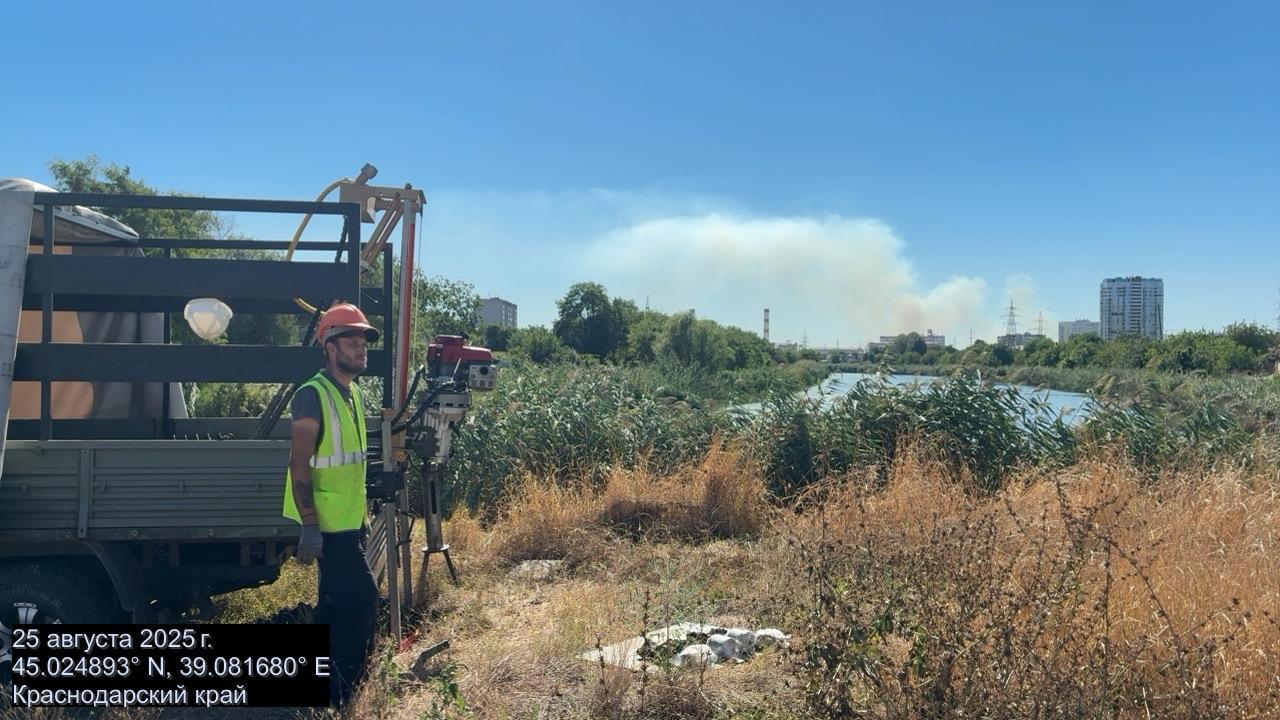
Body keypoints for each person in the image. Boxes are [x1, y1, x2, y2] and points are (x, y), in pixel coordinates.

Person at [282, 302, 379, 706]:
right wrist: (309, 525)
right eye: (351, 340)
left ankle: (321, 686)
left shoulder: (352, 393)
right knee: (362, 599)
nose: (361, 347)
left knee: (334, 602)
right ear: (329, 346)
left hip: (347, 521)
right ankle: (342, 694)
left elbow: (349, 463)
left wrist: (361, 516)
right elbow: (299, 463)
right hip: (326, 525)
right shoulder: (312, 395)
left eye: (364, 341)